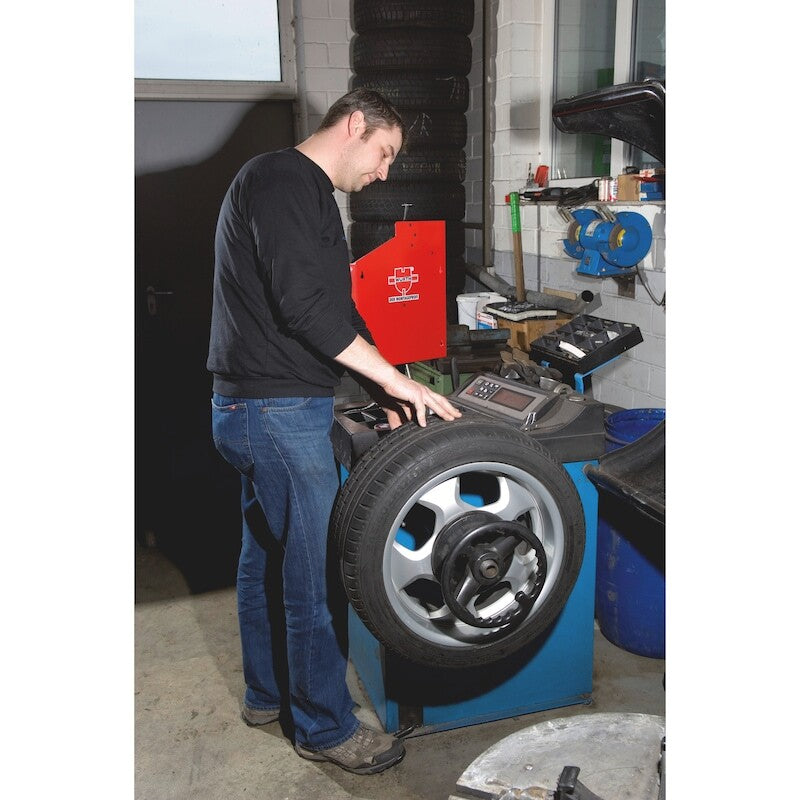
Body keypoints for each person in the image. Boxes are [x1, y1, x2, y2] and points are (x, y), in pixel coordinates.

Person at [206, 88, 461, 775]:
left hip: (256, 410)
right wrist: (397, 381)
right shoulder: (283, 179)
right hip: (276, 415)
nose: (384, 172)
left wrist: (383, 383)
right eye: (384, 153)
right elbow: (304, 305)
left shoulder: (294, 189)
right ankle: (323, 727)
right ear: (354, 125)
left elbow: (339, 309)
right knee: (316, 572)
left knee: (265, 556)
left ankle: (267, 695)